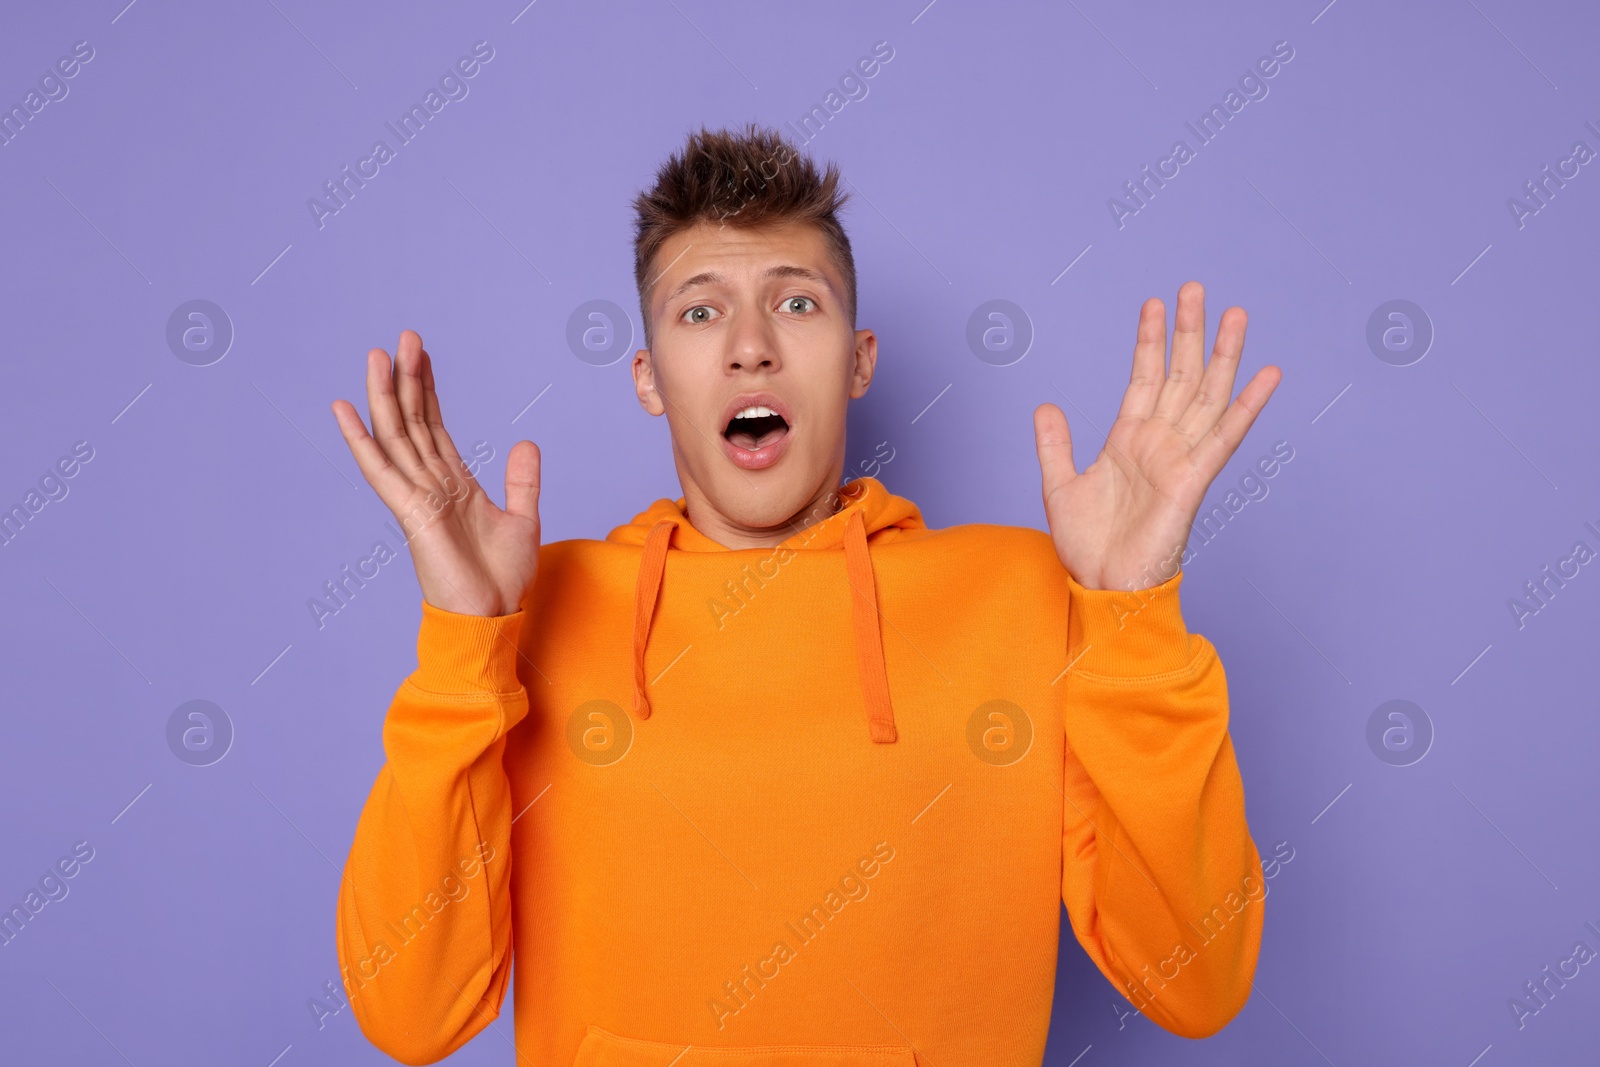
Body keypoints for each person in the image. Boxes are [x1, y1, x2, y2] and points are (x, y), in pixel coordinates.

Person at [329, 123, 1281, 1067]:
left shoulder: (1025, 598)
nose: (750, 346)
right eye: (699, 313)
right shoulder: (533, 610)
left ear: (860, 360)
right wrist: (464, 644)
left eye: (796, 303)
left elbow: (1196, 982)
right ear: (649, 377)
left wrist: (1132, 615)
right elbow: (410, 1014)